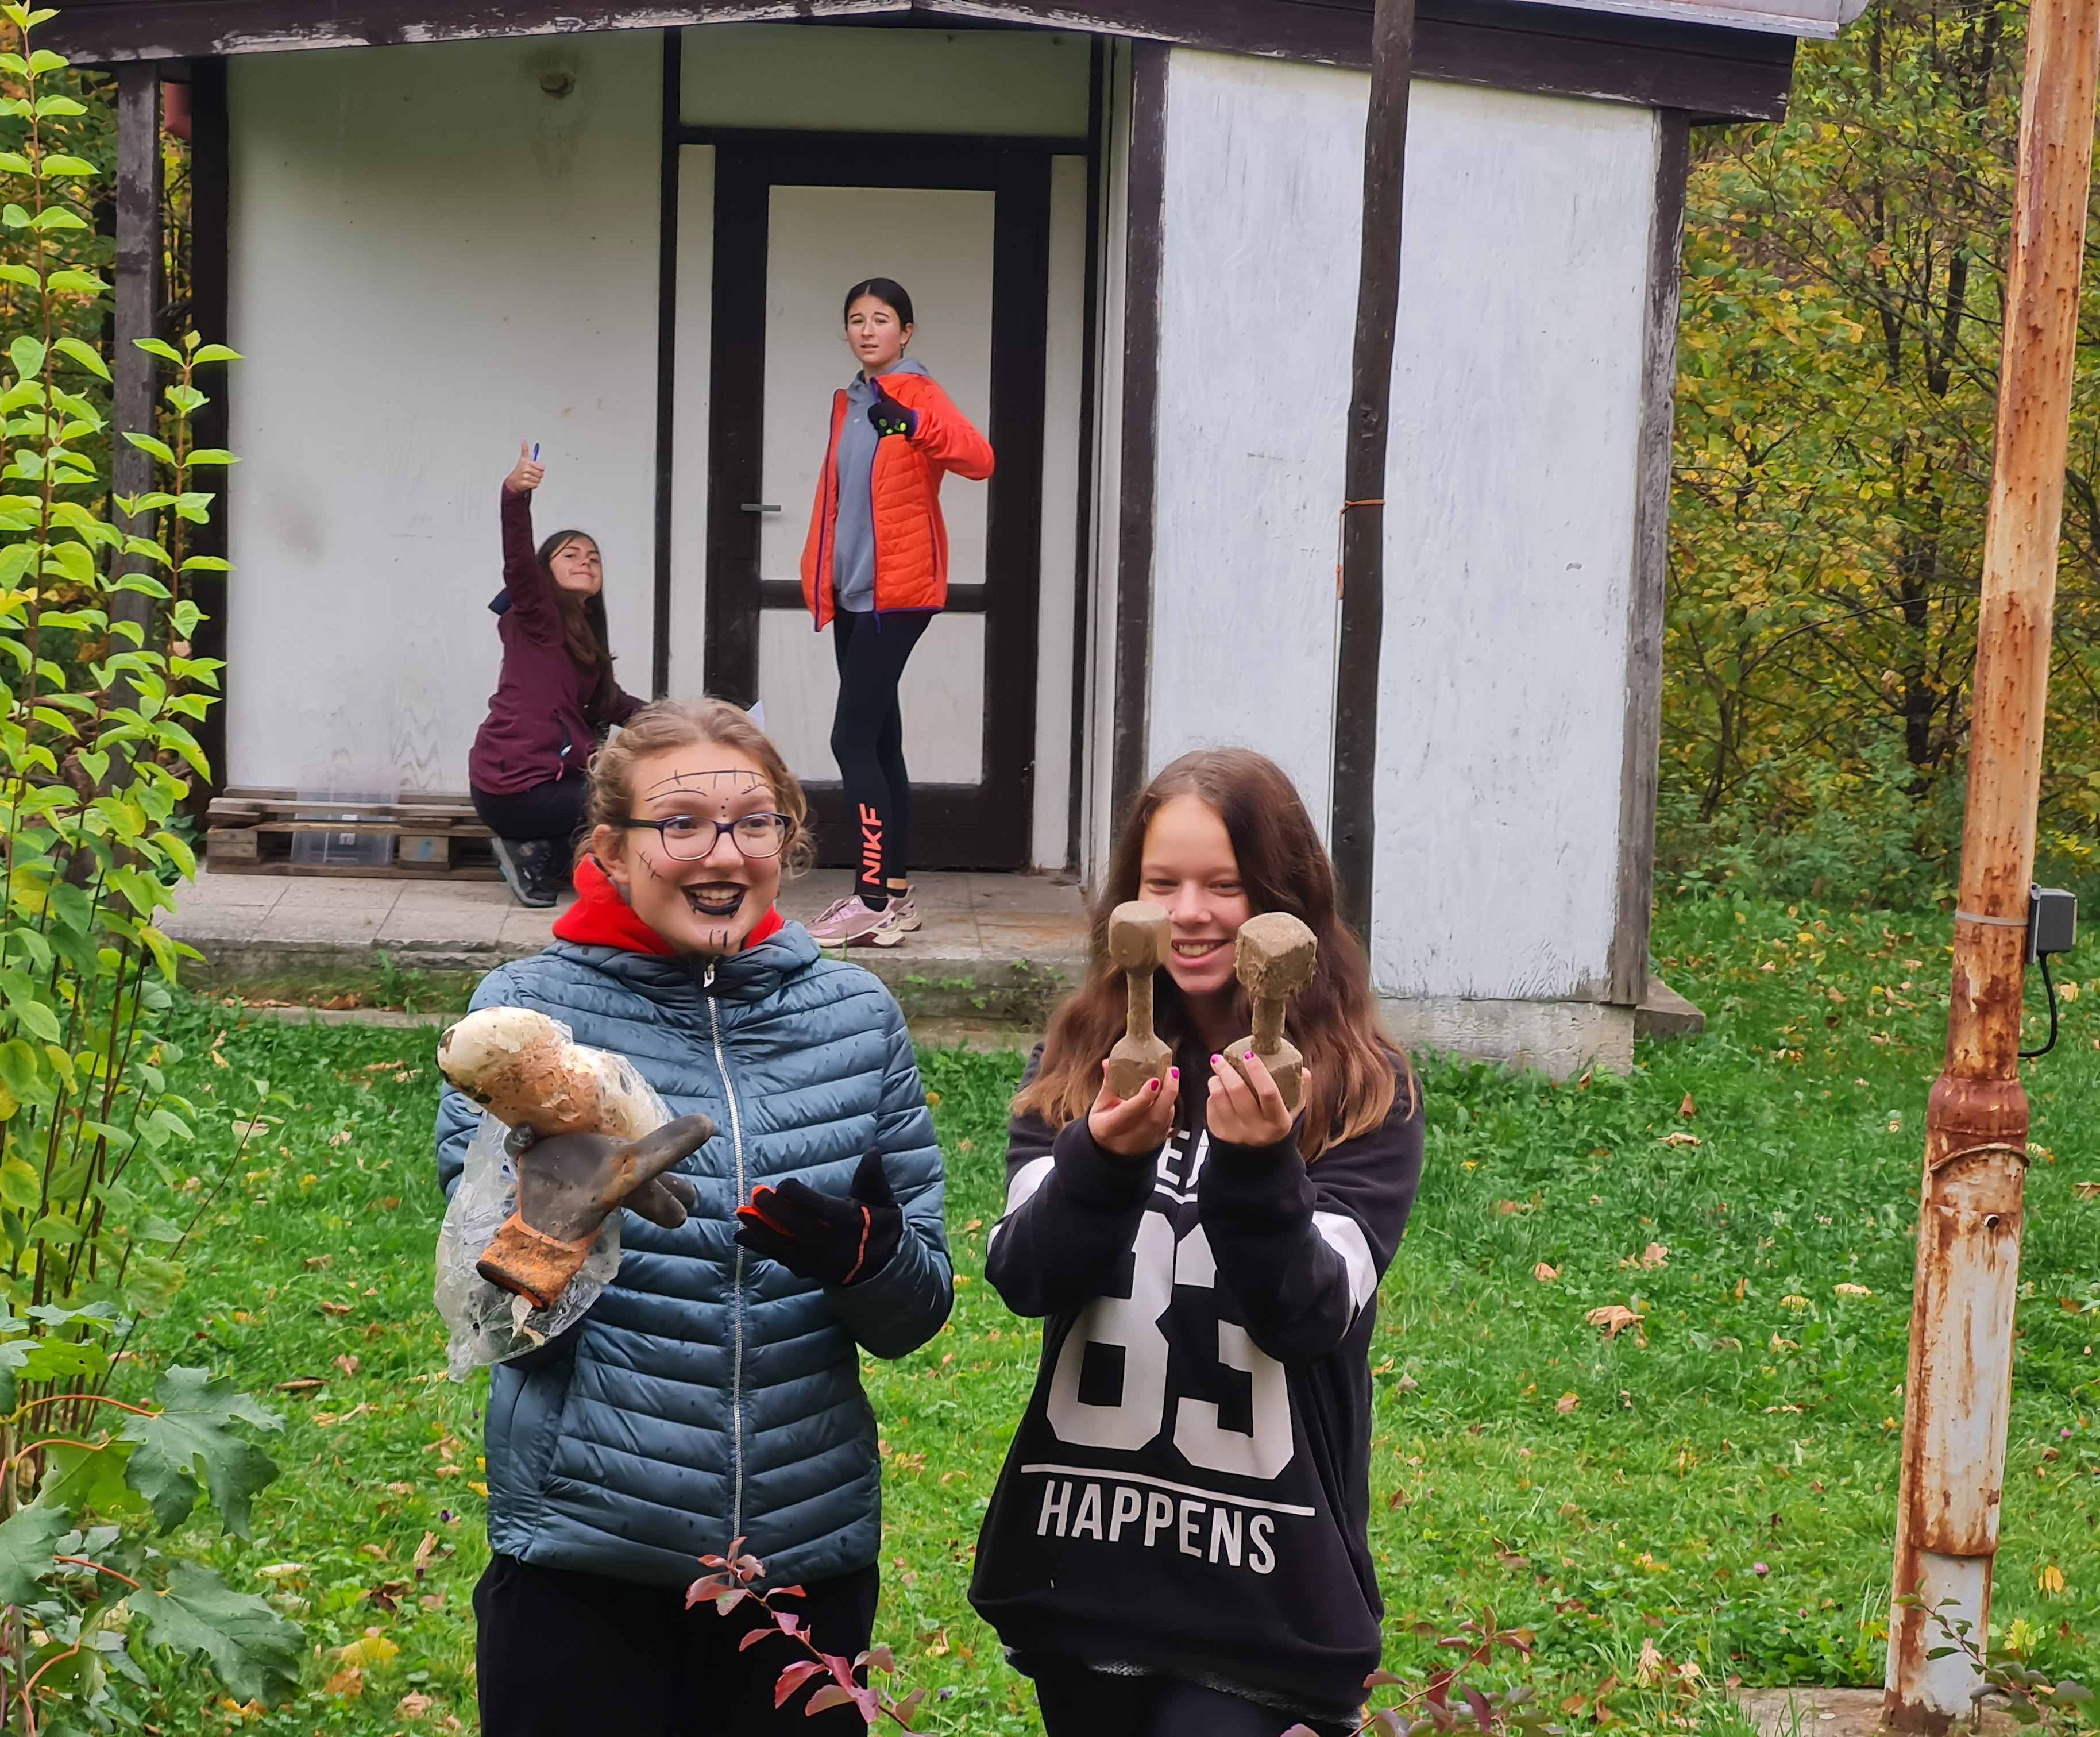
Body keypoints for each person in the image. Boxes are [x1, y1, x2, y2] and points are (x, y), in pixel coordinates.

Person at [434, 697, 955, 1737]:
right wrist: (550, 1228)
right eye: (680, 824)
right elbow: (488, 1324)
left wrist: (869, 1257)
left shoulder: (857, 1021)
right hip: (584, 1564)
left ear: (786, 841)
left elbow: (916, 1316)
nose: (722, 854)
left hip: (800, 1570)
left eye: (754, 822)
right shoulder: (526, 1029)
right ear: (609, 850)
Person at [967, 748, 1426, 1737]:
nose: (1189, 913)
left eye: (1226, 885)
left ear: (1286, 905)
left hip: (1266, 1592)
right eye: (1161, 883)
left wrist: (1258, 1171)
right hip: (1088, 1566)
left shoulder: (1359, 1088)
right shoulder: (1083, 1060)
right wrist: (1099, 1160)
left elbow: (1309, 1314)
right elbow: (1026, 1275)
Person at [797, 277, 994, 949]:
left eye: (882, 319)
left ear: (905, 332)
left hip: (898, 595)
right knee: (880, 740)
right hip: (852, 591)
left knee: (850, 739)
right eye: (857, 319)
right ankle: (897, 893)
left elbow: (980, 459)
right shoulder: (850, 402)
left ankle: (871, 897)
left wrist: (912, 424)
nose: (868, 330)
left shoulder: (918, 393)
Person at [469, 442, 644, 908]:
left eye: (594, 558)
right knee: (627, 796)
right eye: (571, 555)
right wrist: (514, 495)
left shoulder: (581, 635)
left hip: (548, 783)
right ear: (545, 573)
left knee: (621, 797)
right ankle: (528, 850)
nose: (586, 561)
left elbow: (613, 704)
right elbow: (518, 559)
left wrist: (685, 719)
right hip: (517, 785)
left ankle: (541, 853)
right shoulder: (538, 617)